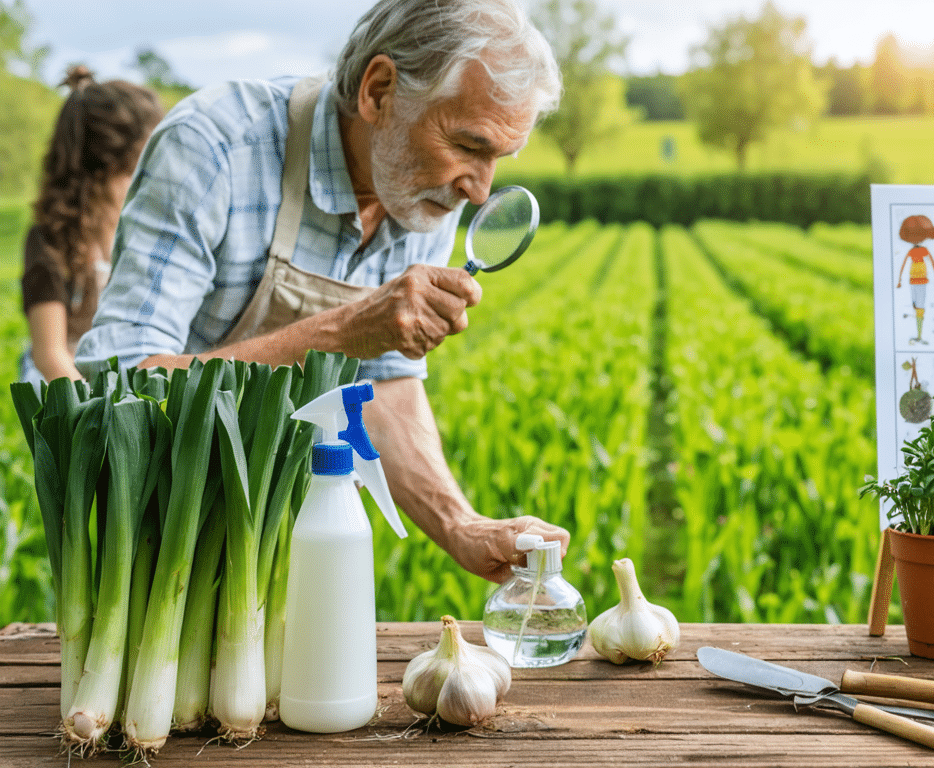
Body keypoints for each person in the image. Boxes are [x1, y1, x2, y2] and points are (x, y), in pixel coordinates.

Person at [75, 0, 568, 583]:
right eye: (468, 145)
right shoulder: (215, 147)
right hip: (160, 528)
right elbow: (125, 380)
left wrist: (461, 524)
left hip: (296, 533)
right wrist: (342, 332)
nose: (480, 191)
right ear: (379, 91)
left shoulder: (423, 197)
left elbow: (383, 386)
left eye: (498, 159)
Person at [20, 66, 162, 384]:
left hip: (126, 381)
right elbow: (50, 354)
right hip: (67, 385)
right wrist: (98, 414)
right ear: (95, 173)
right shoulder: (52, 240)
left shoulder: (146, 232)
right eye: (133, 174)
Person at [894, 214, 934, 345]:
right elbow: (903, 265)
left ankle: (919, 335)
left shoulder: (923, 251)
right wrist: (900, 280)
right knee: (917, 306)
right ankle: (918, 333)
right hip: (913, 280)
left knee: (920, 307)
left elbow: (932, 263)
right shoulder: (912, 252)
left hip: (920, 281)